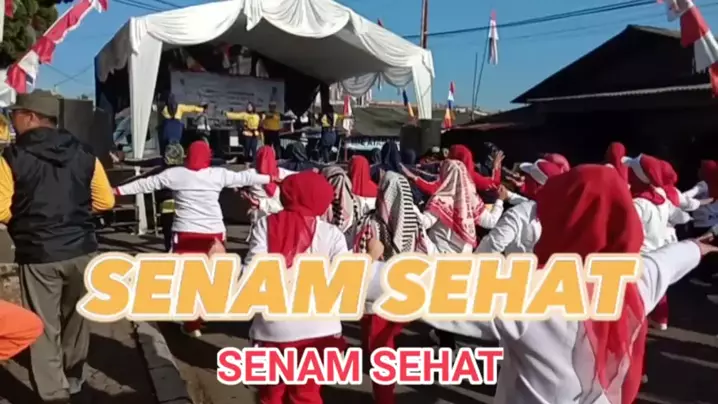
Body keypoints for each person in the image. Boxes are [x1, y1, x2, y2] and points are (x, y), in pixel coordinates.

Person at [365, 164, 715, 404]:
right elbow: (672, 258)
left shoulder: (527, 291)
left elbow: (419, 287)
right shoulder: (635, 277)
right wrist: (702, 245)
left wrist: (368, 262)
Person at [0, 90, 116, 403]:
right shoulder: (84, 153)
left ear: (30, 117)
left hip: (38, 253)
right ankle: (74, 380)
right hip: (82, 250)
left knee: (42, 326)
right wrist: (74, 214)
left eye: (14, 114)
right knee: (76, 320)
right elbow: (105, 201)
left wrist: (27, 221)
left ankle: (54, 394)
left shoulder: (11, 157)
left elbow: (0, 208)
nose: (11, 120)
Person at [114, 141, 278, 337]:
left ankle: (192, 323)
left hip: (185, 233)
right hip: (214, 235)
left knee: (187, 278)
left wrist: (117, 191)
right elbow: (245, 176)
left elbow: (145, 183)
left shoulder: (175, 174)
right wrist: (274, 177)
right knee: (213, 276)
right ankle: (204, 312)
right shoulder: (218, 174)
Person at [244, 171, 349, 404]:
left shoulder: (265, 225)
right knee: (307, 395)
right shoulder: (333, 234)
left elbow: (253, 274)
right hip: (320, 330)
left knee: (271, 395)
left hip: (273, 329)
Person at [353, 171, 433, 404]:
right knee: (385, 343)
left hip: (376, 298)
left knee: (381, 347)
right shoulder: (414, 222)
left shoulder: (371, 222)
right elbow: (427, 252)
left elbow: (358, 260)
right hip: (404, 293)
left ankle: (384, 396)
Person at [476, 159, 564, 254]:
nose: (523, 178)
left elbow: (490, 248)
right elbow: (530, 203)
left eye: (527, 177)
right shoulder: (560, 210)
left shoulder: (518, 214)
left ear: (536, 185)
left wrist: (500, 201)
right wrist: (507, 195)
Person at [240, 146, 296, 223]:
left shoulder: (251, 173)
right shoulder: (282, 173)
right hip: (277, 213)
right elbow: (299, 176)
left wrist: (243, 191)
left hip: (258, 214)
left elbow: (235, 181)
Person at [321, 166, 358, 236]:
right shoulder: (321, 203)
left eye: (341, 186)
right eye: (335, 184)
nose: (337, 192)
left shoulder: (353, 204)